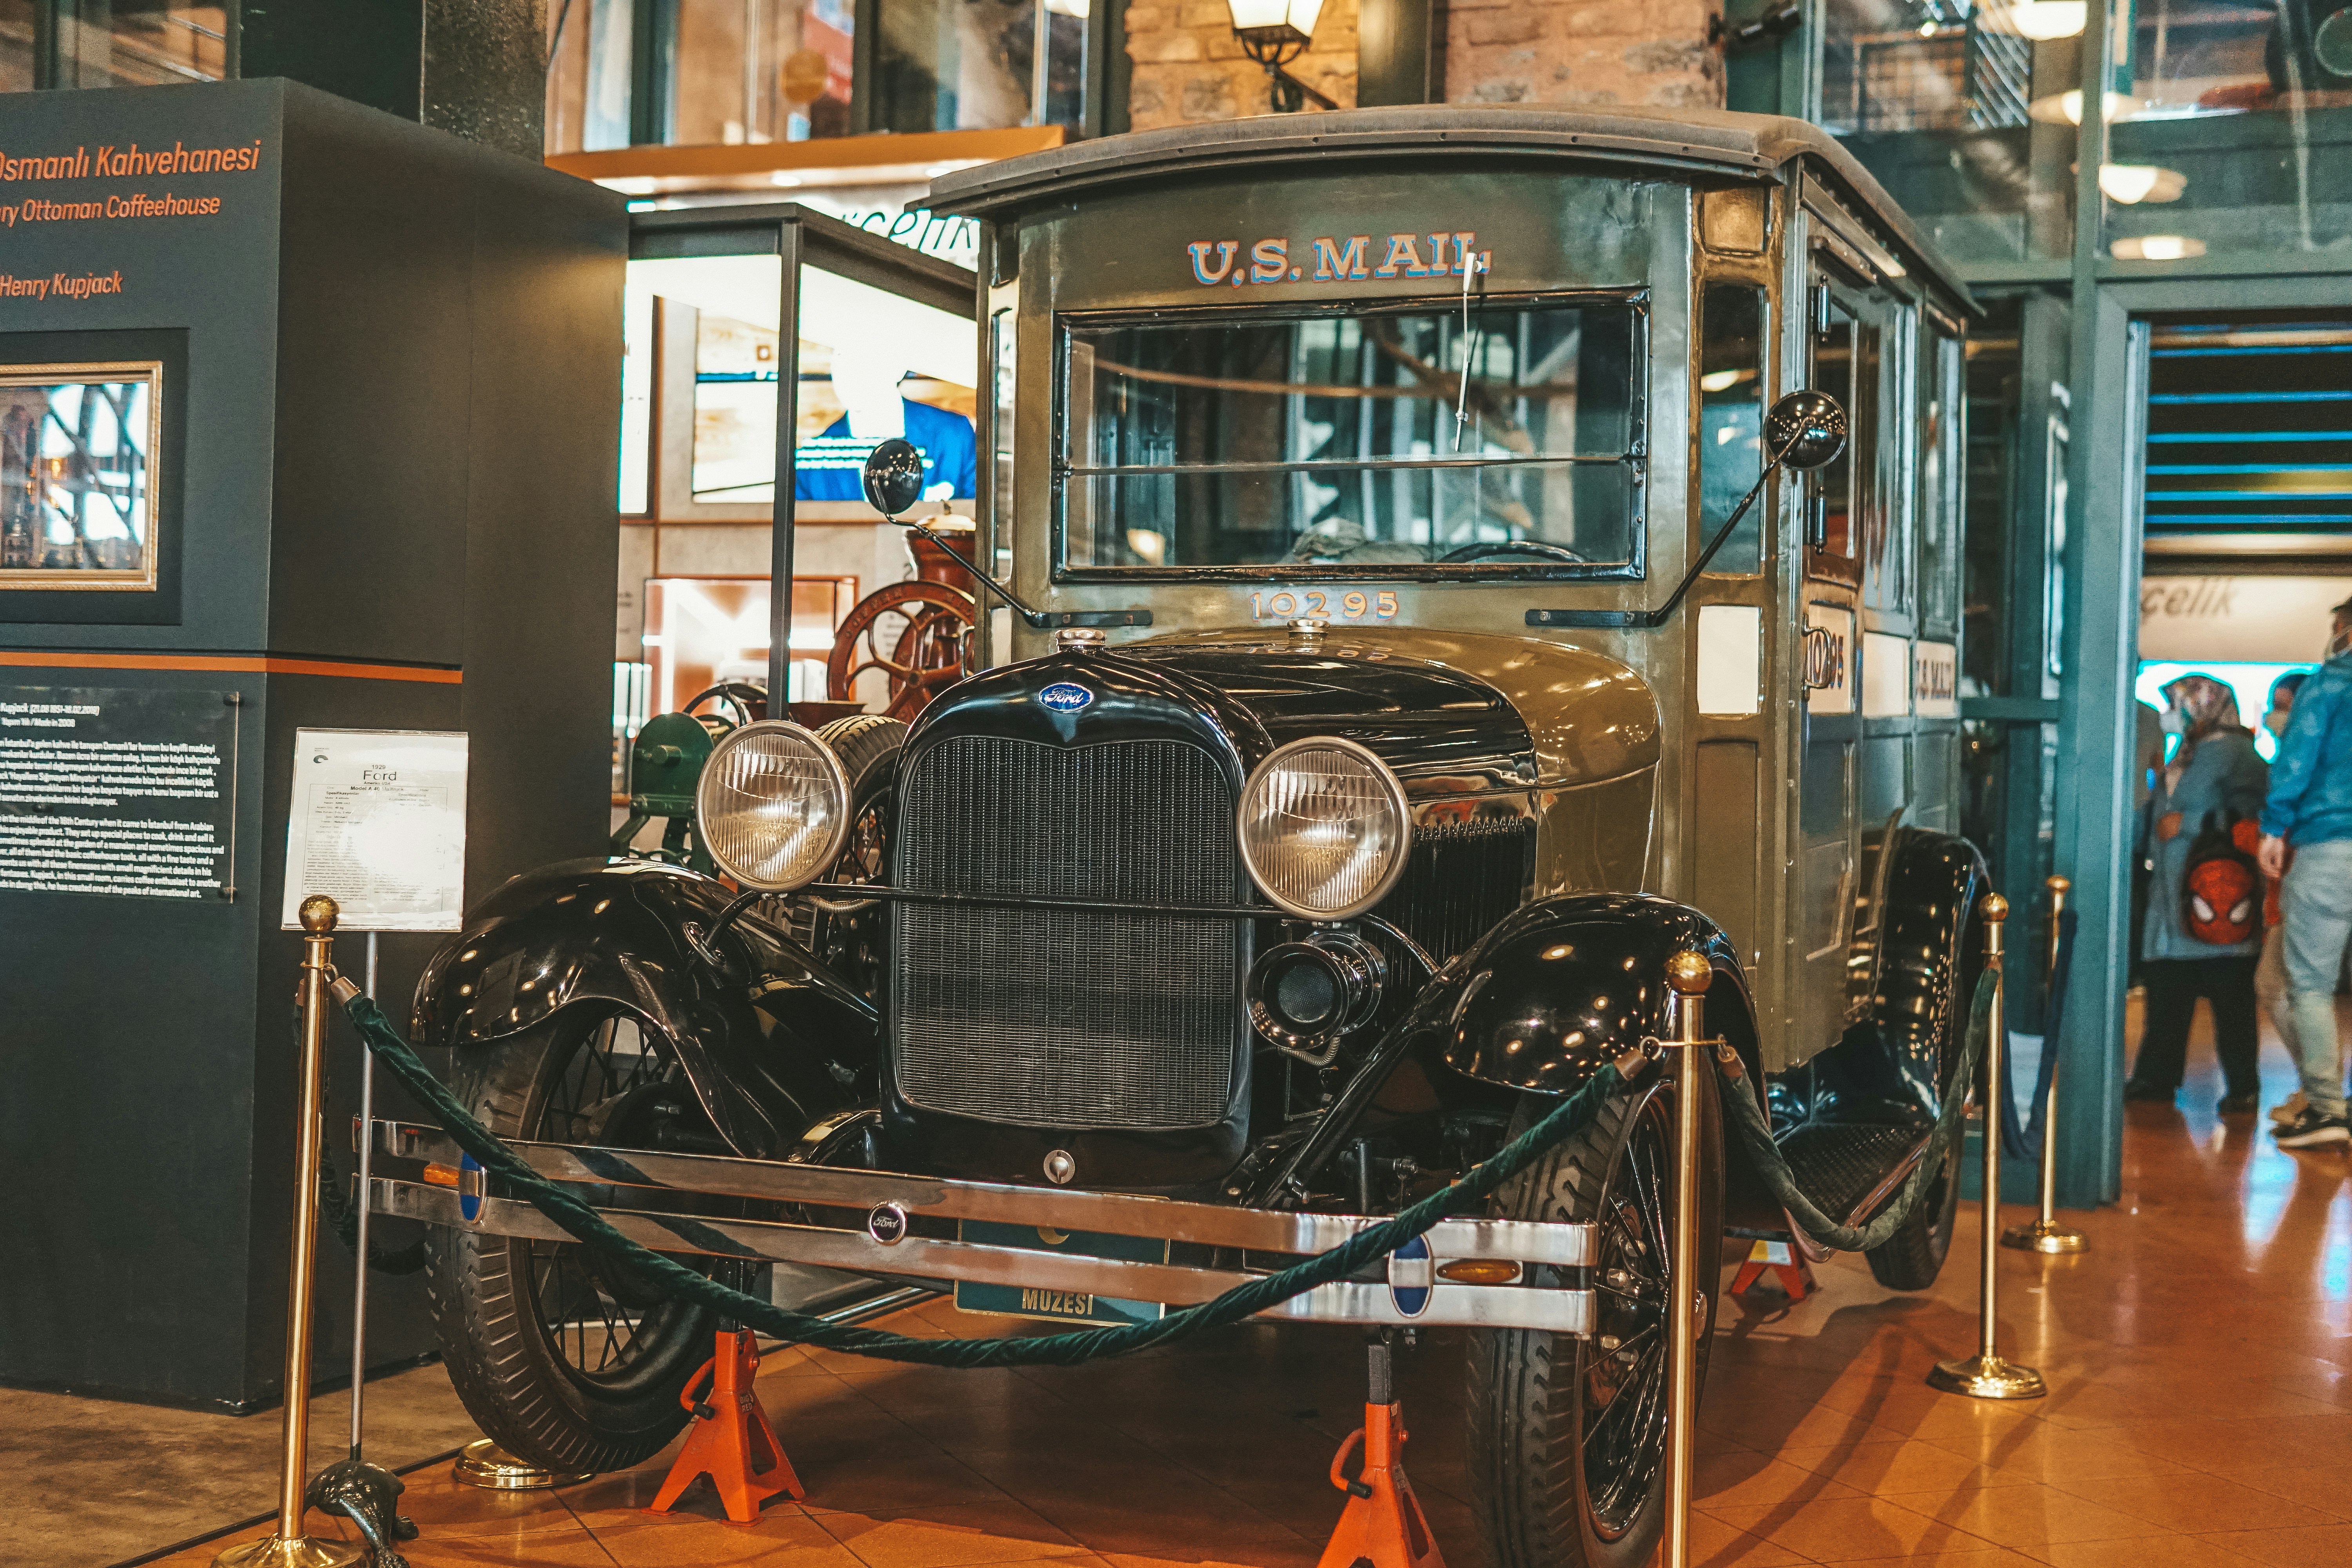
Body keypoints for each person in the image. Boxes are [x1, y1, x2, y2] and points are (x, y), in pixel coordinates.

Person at [2123, 674, 2269, 1112]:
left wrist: (2187, 825)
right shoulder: (2188, 751)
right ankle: (2156, 1077)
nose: (2173, 715)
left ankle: (2242, 1086)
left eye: (2179, 705)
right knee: (2168, 993)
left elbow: (2255, 817)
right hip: (2173, 900)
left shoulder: (2235, 753)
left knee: (2231, 999)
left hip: (2217, 896)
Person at [2259, 599, 2352, 1149]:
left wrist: (2275, 827)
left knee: (2309, 985)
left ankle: (2326, 1107)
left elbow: (2298, 758)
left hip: (2331, 845)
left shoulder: (2331, 683)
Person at [2257, 670, 2310, 1125]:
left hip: (2303, 886)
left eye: (2283, 706)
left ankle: (2320, 1093)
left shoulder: (2305, 760)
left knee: (2283, 985)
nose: (2275, 716)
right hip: (2291, 889)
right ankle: (2316, 1090)